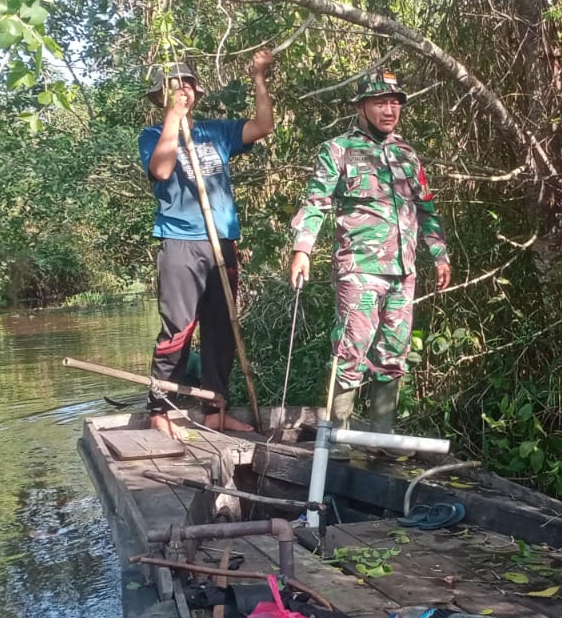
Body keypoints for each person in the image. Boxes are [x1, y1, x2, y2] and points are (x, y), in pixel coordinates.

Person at [288, 70, 451, 438]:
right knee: (350, 353)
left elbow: (426, 207)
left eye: (395, 103)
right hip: (359, 269)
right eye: (381, 102)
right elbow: (315, 203)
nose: (389, 110)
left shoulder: (407, 153)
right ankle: (336, 439)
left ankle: (381, 439)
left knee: (393, 356)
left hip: (403, 271)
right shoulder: (338, 150)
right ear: (361, 107)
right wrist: (303, 250)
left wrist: (439, 254)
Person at [139, 51, 275, 436]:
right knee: (178, 329)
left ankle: (215, 409)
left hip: (222, 242)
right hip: (181, 242)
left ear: (197, 90)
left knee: (222, 328)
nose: (181, 91)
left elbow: (263, 126)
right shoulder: (152, 136)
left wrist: (258, 78)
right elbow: (162, 168)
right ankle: (160, 409)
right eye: (172, 87)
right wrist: (173, 117)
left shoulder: (216, 132)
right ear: (159, 96)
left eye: (186, 84)